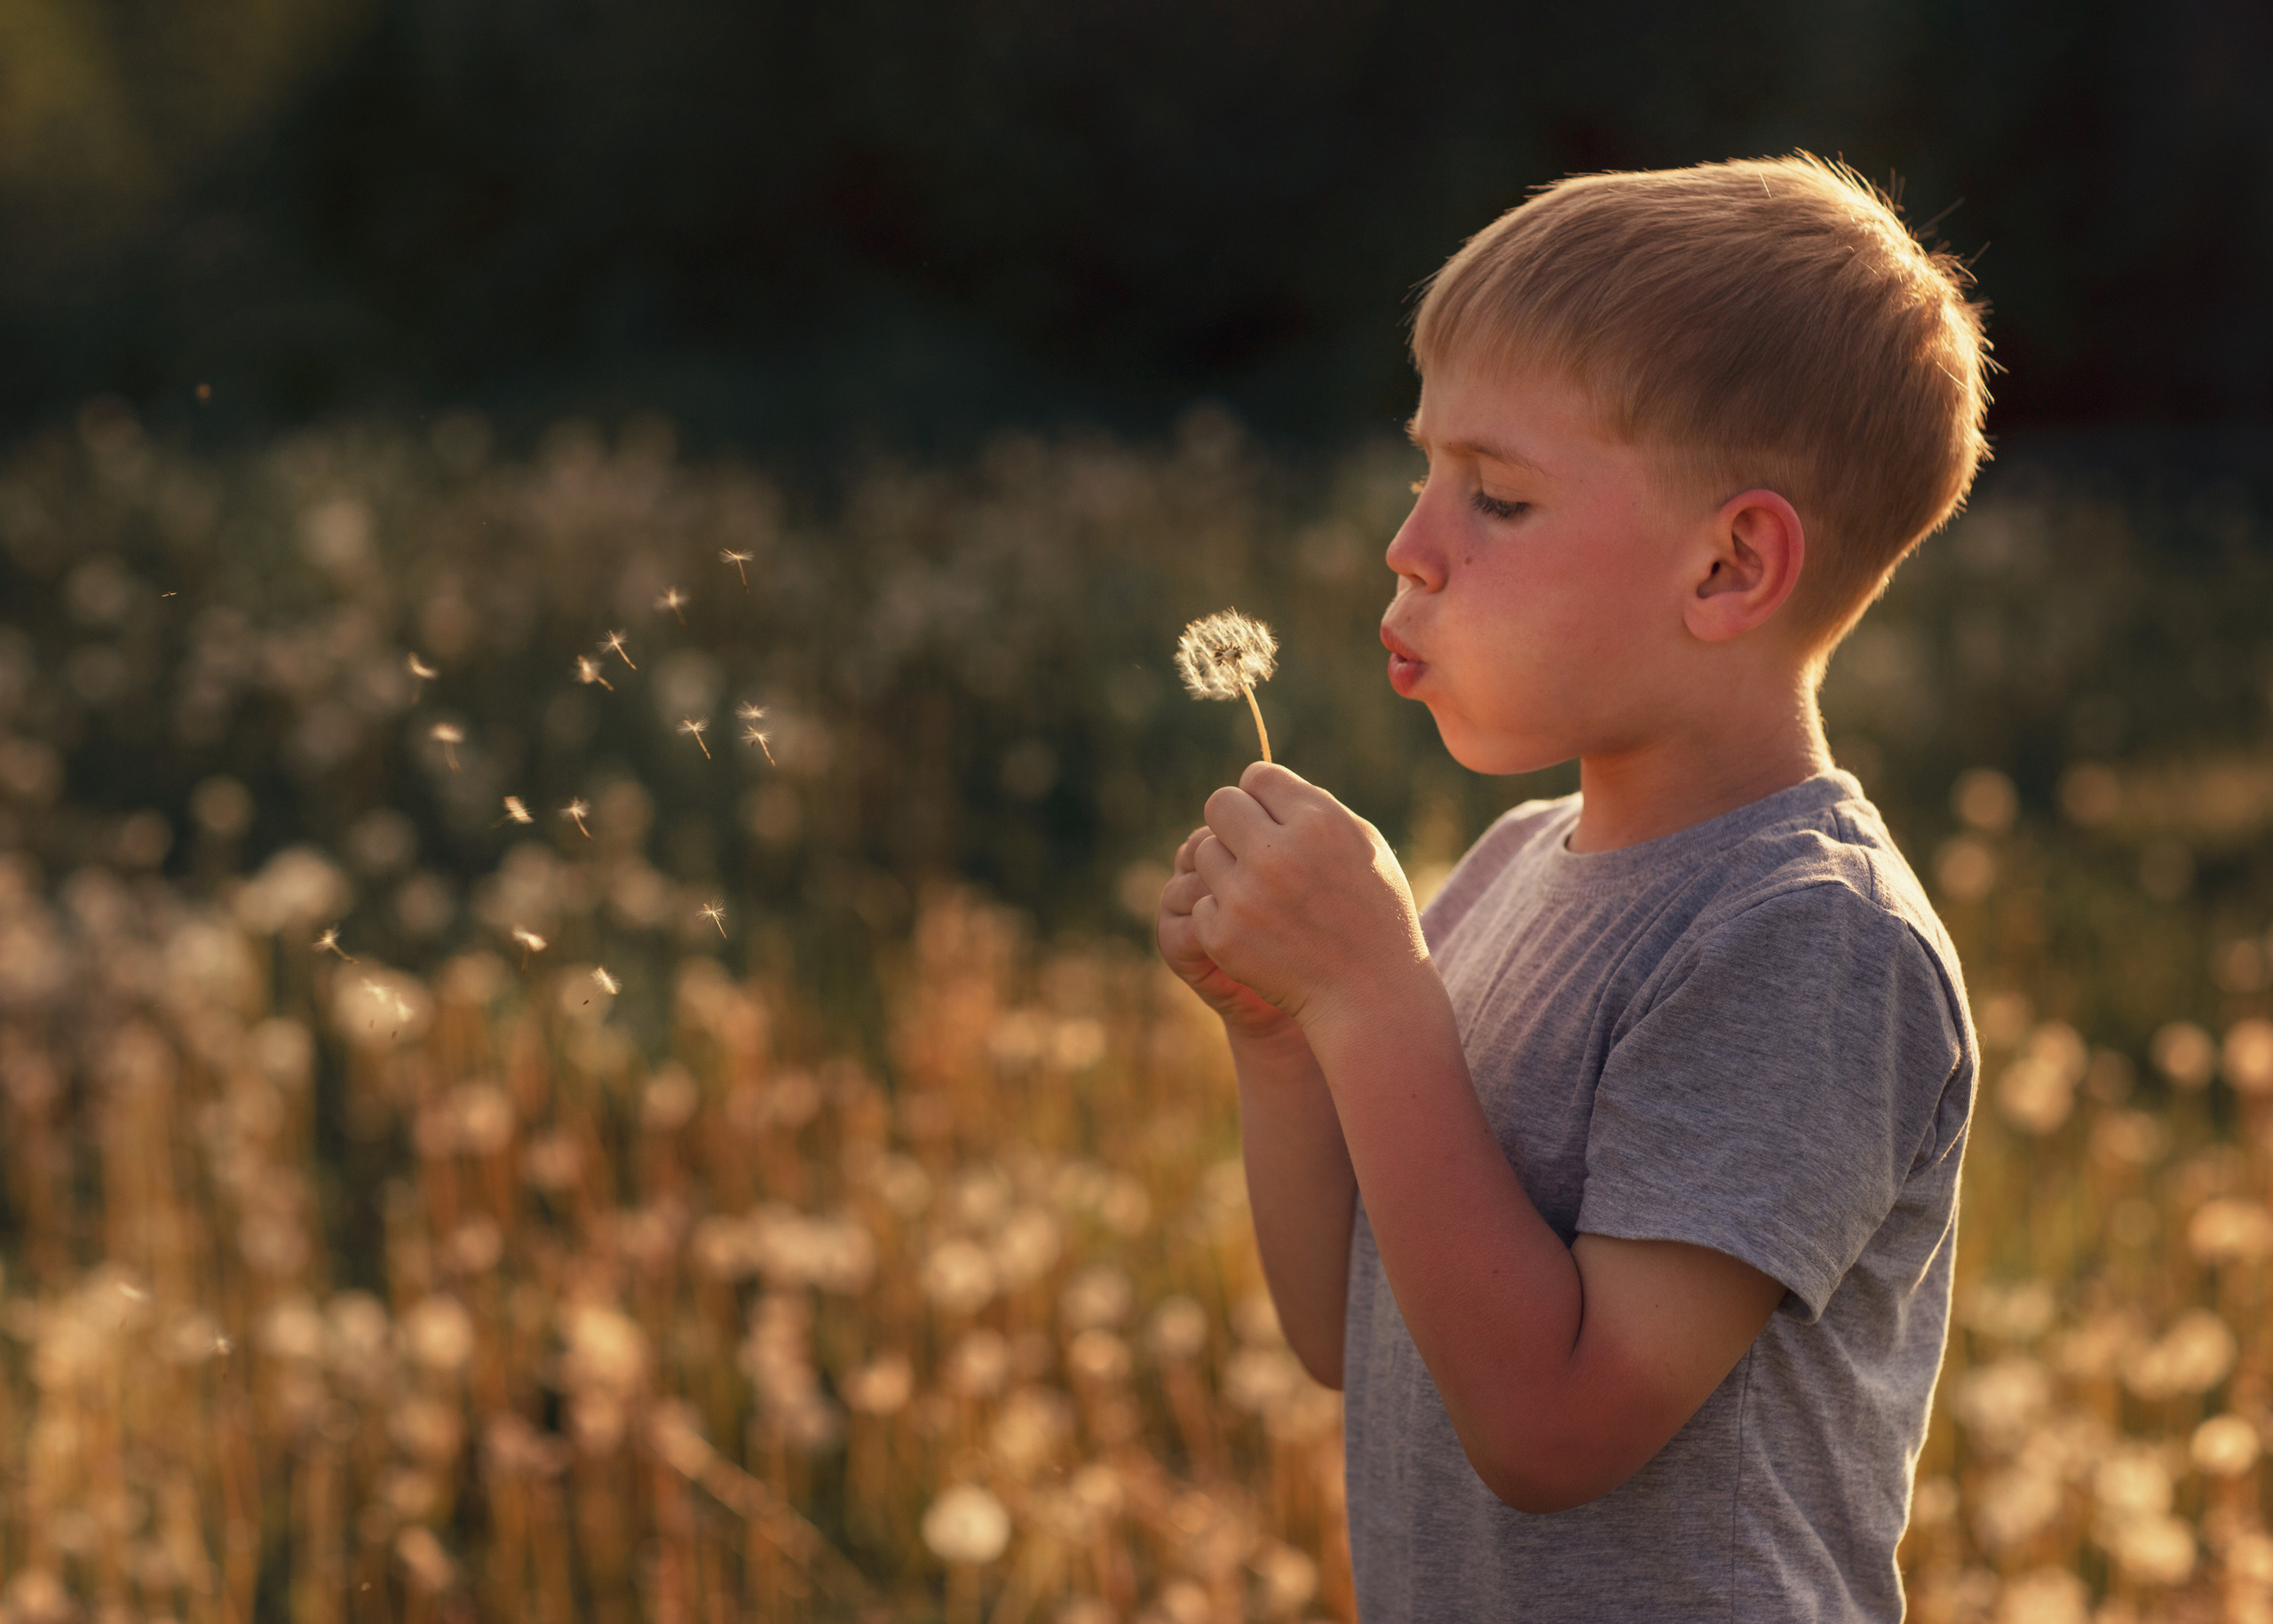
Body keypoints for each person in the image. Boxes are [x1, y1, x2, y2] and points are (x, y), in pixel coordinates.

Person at [1156, 154, 1988, 1621]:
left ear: (1730, 565)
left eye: (1497, 496)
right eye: (1427, 472)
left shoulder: (1807, 938)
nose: (1411, 545)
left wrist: (1369, 990)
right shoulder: (1509, 870)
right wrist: (1287, 1036)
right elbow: (1347, 1330)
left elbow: (1552, 1429)